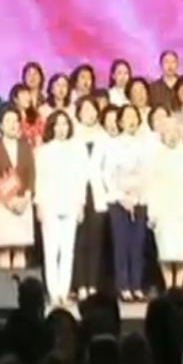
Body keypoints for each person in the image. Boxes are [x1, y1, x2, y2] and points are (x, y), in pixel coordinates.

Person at [35, 110, 85, 305]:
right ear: (52, 127)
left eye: (65, 124)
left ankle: (64, 291)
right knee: (51, 250)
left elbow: (81, 179)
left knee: (67, 250)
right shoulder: (43, 151)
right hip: (50, 203)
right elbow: (39, 180)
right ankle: (53, 292)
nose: (62, 128)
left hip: (71, 202)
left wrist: (81, 204)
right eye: (58, 124)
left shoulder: (76, 149)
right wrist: (39, 204)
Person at [104, 104, 149, 301]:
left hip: (139, 199)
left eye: (134, 117)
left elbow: (147, 172)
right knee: (121, 244)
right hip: (118, 201)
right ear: (120, 122)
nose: (131, 121)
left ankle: (136, 285)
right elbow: (108, 174)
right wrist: (122, 196)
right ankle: (123, 286)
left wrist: (137, 193)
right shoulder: (113, 145)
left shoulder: (144, 145)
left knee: (137, 244)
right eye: (127, 117)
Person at [145, 119, 183, 291]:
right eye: (168, 133)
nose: (172, 136)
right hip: (163, 210)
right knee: (165, 251)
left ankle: (179, 287)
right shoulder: (155, 158)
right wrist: (152, 212)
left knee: (182, 252)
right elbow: (151, 186)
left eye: (175, 132)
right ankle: (168, 286)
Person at [0, 104, 36, 271]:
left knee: (21, 250)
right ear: (0, 125)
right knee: (4, 251)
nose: (13, 124)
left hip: (23, 202)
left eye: (16, 121)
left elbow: (31, 174)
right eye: (8, 121)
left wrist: (26, 197)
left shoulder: (25, 146)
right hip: (1, 204)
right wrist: (8, 202)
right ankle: (5, 286)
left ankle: (20, 284)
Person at [73, 96, 109, 299]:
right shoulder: (73, 136)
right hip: (77, 192)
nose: (89, 113)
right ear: (78, 113)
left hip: (98, 191)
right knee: (79, 240)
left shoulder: (104, 136)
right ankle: (80, 284)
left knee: (96, 240)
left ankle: (93, 284)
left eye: (92, 109)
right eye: (85, 109)